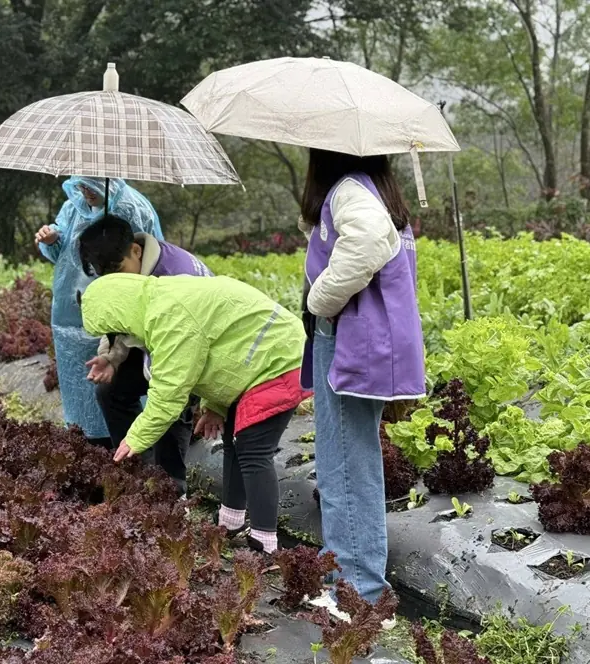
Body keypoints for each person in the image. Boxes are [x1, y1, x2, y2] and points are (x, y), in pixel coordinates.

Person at [81, 273, 309, 553]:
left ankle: (264, 543)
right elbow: (222, 350)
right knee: (235, 443)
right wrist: (214, 407)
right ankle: (231, 523)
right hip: (259, 364)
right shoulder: (159, 304)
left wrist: (135, 439)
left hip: (278, 362)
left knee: (253, 451)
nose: (126, 340)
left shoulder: (170, 318)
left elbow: (169, 394)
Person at [299, 148, 426, 604]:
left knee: (346, 469)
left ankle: (360, 594)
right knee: (351, 463)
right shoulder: (375, 190)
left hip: (351, 338)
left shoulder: (350, 190)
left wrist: (319, 300)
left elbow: (369, 244)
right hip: (368, 339)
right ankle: (354, 584)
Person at [77, 214, 213, 495]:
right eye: (106, 277)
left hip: (198, 354)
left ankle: (171, 490)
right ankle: (135, 470)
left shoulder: (175, 273)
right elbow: (122, 316)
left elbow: (182, 355)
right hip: (161, 346)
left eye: (118, 270)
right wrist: (111, 358)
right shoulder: (132, 270)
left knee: (170, 408)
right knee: (110, 391)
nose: (114, 281)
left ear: (135, 251)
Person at [35, 177, 162, 445]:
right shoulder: (72, 207)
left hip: (121, 310)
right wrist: (52, 239)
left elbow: (149, 258)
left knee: (123, 380)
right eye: (80, 186)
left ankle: (133, 446)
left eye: (90, 186)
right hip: (73, 312)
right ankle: (90, 442)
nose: (85, 193)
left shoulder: (133, 208)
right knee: (82, 381)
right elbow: (63, 253)